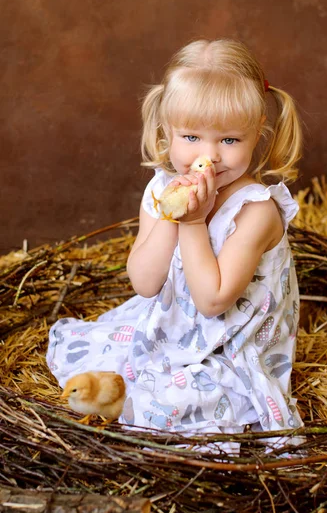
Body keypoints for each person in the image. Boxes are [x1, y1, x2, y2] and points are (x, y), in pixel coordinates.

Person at [47, 38, 303, 436]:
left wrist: (194, 222)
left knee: (161, 405)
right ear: (167, 132)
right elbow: (145, 284)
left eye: (230, 140)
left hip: (232, 346)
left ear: (257, 135)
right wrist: (172, 211)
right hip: (171, 324)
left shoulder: (256, 211)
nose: (210, 155)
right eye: (191, 138)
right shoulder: (161, 190)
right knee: (97, 360)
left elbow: (212, 300)